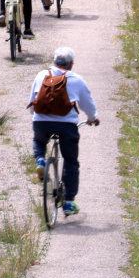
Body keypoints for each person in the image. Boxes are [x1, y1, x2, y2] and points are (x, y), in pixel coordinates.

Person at [29, 47, 100, 216]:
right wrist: (92, 117)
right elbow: (87, 104)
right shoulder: (76, 79)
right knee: (71, 161)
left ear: (53, 61)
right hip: (66, 126)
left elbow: (32, 103)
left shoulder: (41, 75)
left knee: (39, 140)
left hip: (41, 122)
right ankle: (69, 202)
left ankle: (40, 160)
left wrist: (38, 116)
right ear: (71, 64)